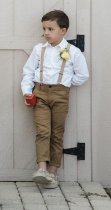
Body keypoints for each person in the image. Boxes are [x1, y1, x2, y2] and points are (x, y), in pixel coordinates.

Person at [21, 10, 89, 188]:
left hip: (61, 95)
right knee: (43, 131)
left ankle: (53, 172)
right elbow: (28, 71)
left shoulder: (72, 52)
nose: (46, 33)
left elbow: (83, 75)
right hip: (40, 93)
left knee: (57, 134)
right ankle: (41, 169)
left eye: (50, 29)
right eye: (44, 29)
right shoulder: (39, 49)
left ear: (63, 31)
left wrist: (65, 83)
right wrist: (26, 91)